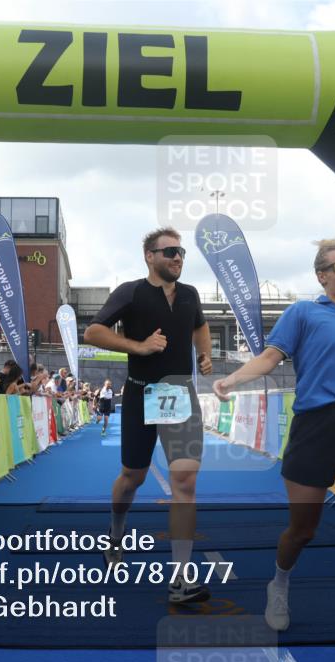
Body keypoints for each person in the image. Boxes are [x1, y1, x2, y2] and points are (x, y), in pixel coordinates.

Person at [213, 239, 335, 650]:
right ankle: (279, 585)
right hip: (314, 428)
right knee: (303, 530)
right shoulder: (303, 312)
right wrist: (232, 380)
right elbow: (271, 357)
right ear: (321, 275)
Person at [83, 226, 213, 604]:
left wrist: (203, 354)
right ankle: (116, 532)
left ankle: (181, 579)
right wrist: (138, 346)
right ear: (149, 256)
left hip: (179, 393)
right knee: (132, 478)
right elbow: (92, 332)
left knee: (185, 482)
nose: (177, 257)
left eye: (181, 252)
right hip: (142, 394)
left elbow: (200, 327)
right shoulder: (131, 291)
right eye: (169, 251)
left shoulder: (190, 295)